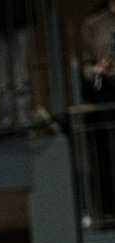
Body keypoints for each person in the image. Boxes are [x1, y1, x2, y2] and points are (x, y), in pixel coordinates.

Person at [80, 1, 115, 224]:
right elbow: (85, 66)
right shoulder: (93, 23)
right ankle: (109, 210)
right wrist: (95, 70)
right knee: (108, 153)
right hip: (106, 92)